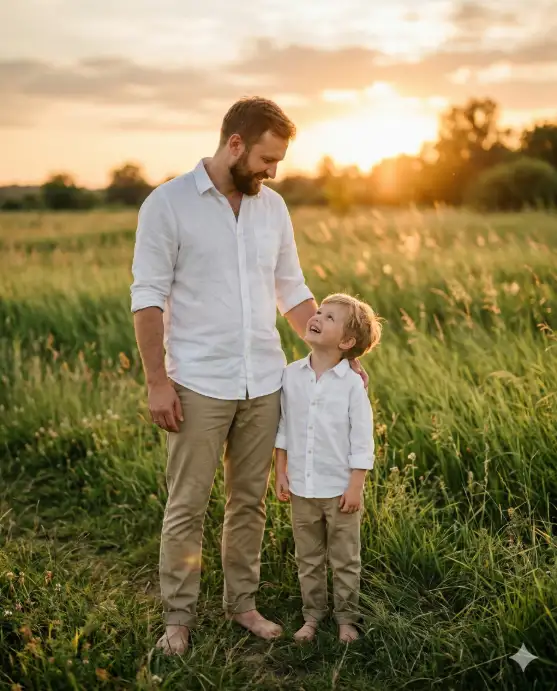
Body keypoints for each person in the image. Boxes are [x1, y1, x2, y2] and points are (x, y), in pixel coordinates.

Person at [130, 97, 367, 655]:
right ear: (235, 144)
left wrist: (336, 352)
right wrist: (157, 382)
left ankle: (243, 605)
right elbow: (147, 299)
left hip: (264, 382)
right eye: (266, 158)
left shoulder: (273, 207)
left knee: (249, 503)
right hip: (198, 383)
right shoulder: (166, 205)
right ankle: (178, 617)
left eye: (278, 161)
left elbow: (292, 287)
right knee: (187, 503)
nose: (272, 171)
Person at [274, 293, 382, 643]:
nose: (316, 316)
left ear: (347, 342)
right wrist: (280, 471)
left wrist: (356, 485)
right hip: (302, 488)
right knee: (308, 558)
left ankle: (346, 619)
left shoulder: (352, 384)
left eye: (330, 317)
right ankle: (312, 616)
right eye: (319, 311)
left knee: (344, 559)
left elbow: (362, 440)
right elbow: (283, 429)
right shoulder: (290, 375)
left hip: (339, 491)